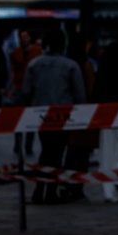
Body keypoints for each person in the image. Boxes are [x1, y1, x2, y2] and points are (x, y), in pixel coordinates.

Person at [21, 35, 89, 202]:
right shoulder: (70, 65)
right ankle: (50, 191)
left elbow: (26, 91)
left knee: (45, 151)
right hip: (63, 115)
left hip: (41, 115)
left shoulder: (34, 64)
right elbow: (80, 95)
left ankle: (39, 189)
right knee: (57, 153)